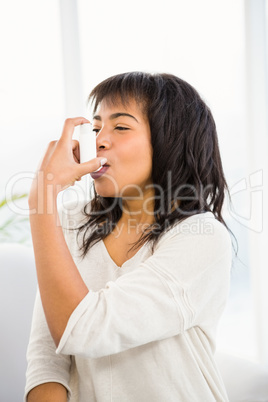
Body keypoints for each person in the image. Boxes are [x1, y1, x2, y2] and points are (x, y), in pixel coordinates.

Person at [25, 72, 232, 402]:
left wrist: (41, 199)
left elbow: (84, 329)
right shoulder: (70, 222)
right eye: (96, 129)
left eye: (120, 127)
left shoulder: (202, 238)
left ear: (170, 139)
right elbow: (48, 362)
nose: (100, 140)